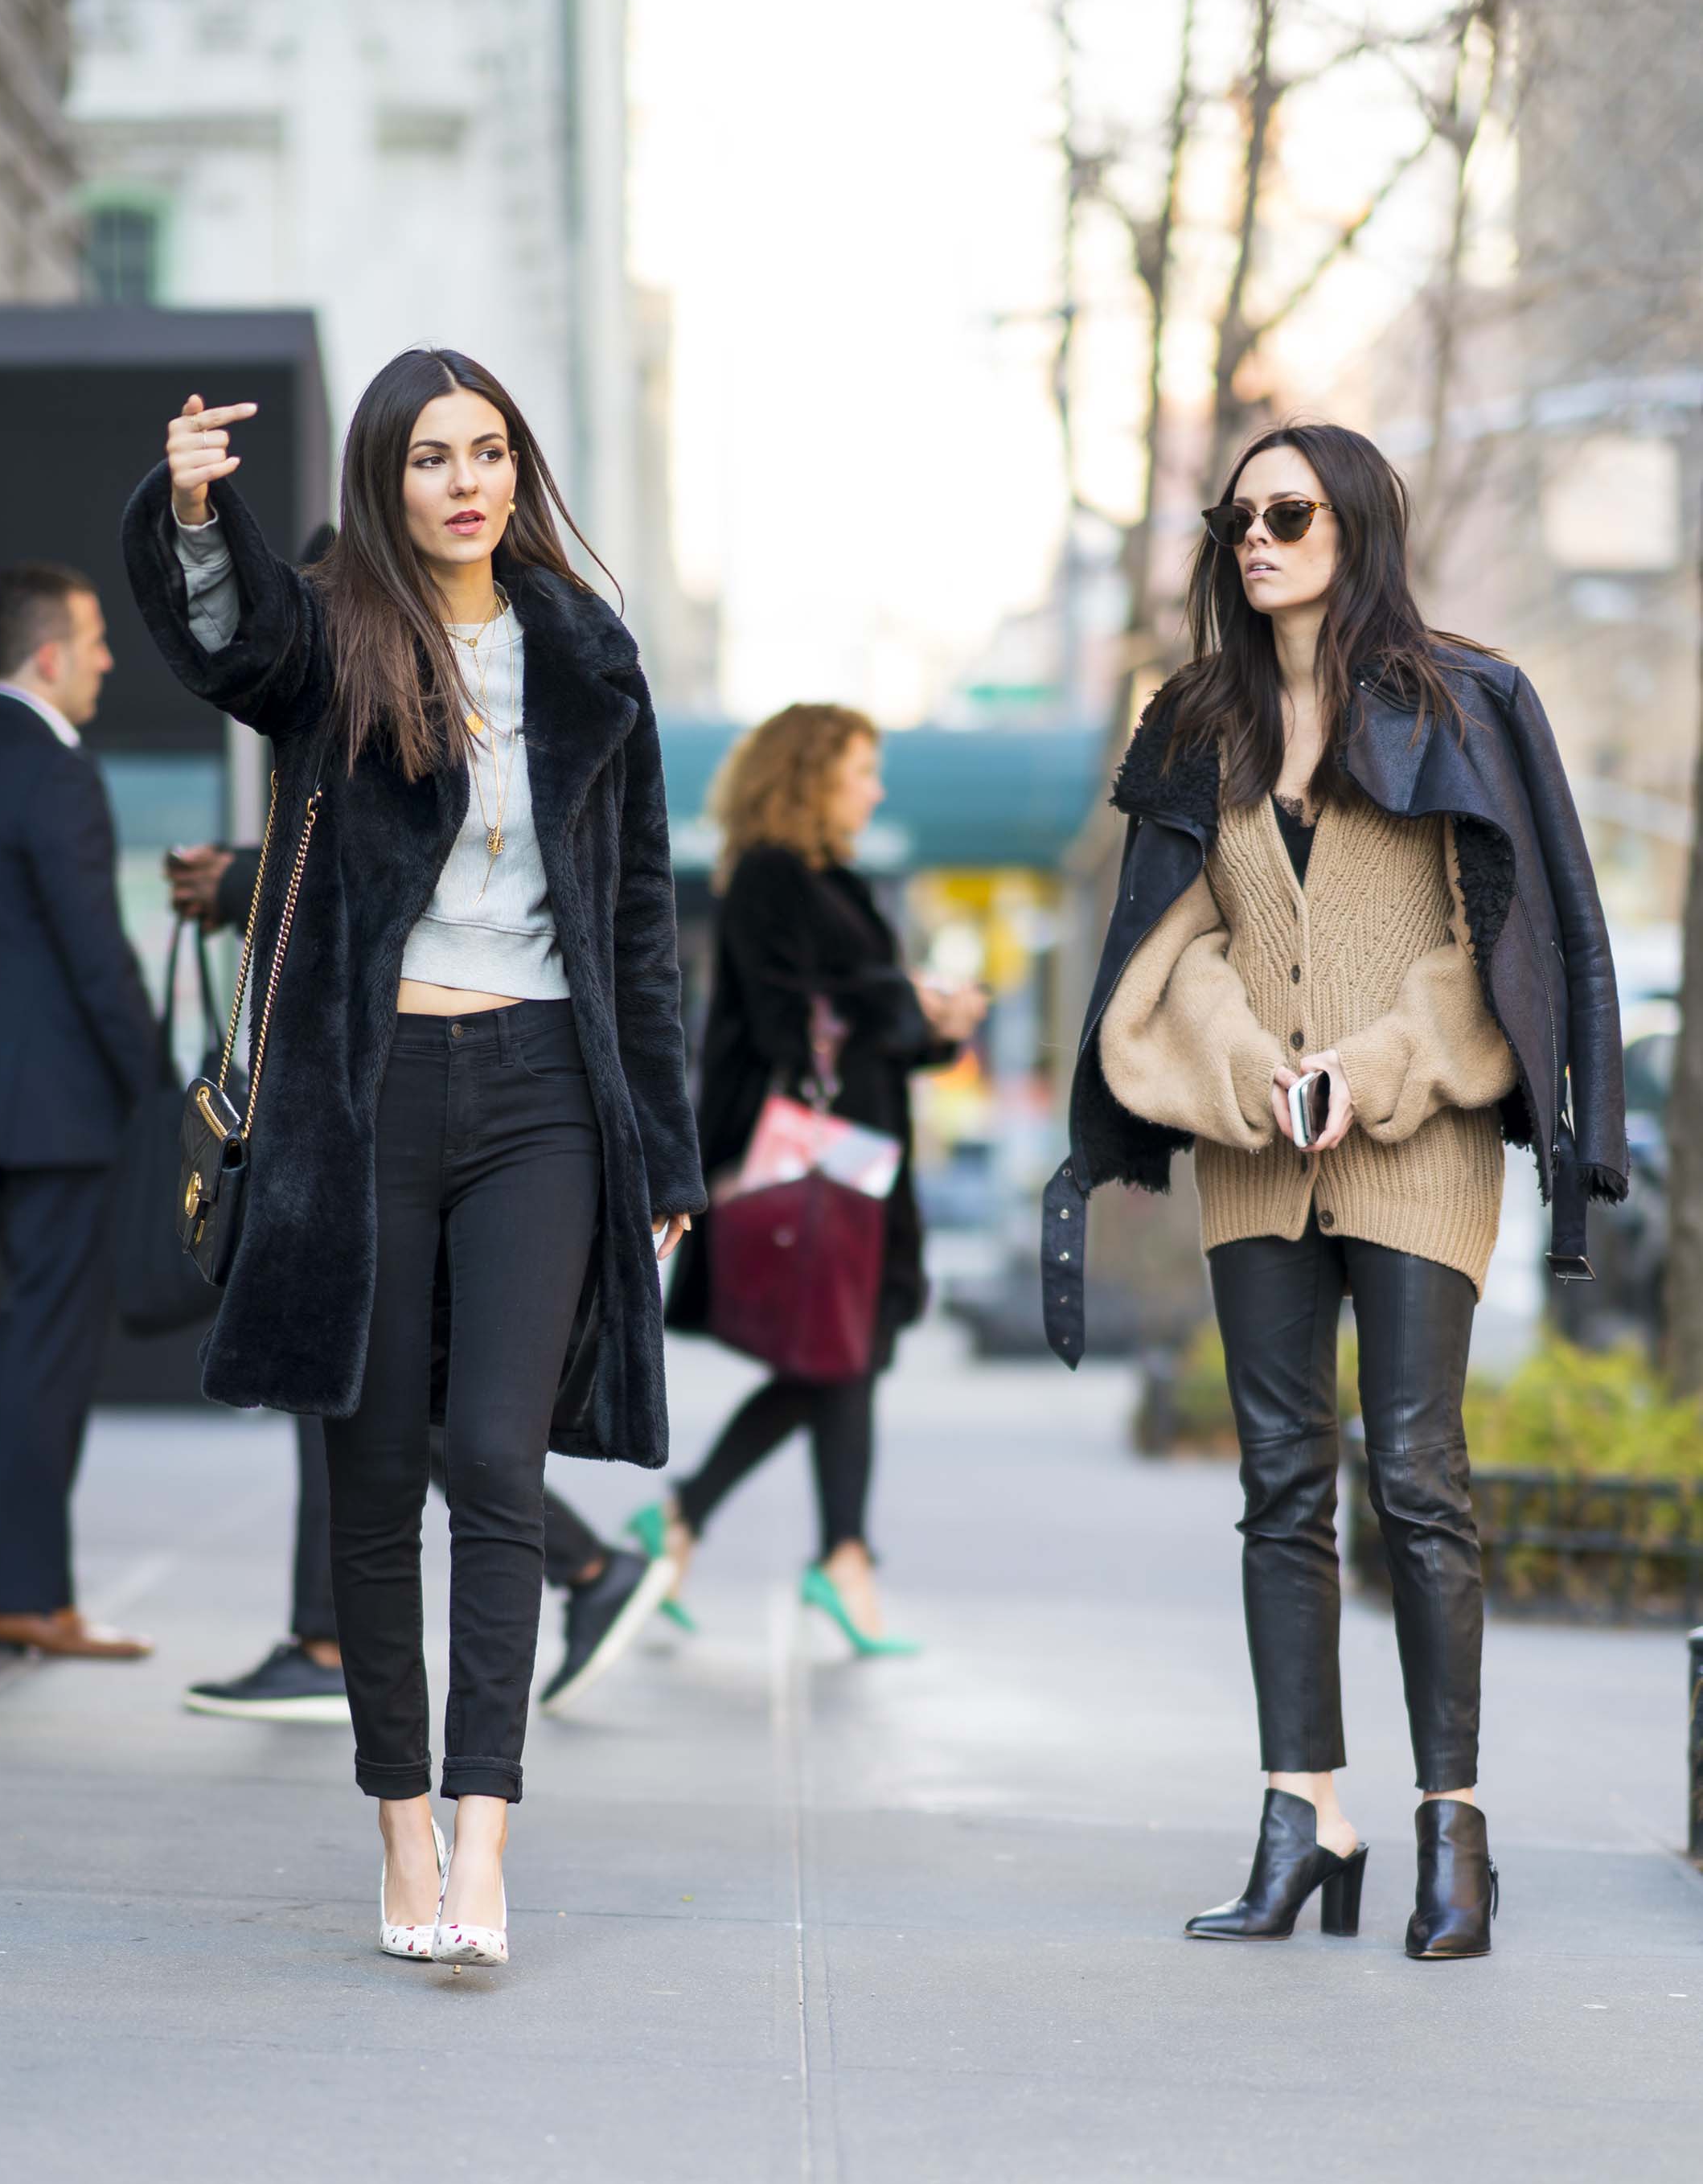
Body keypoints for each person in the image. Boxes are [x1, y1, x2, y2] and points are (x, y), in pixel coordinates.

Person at [122, 347, 704, 1968]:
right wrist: (192, 512)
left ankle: (483, 1838)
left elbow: (637, 917)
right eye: (433, 457)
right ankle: (398, 1823)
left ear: (519, 471)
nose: (466, 481)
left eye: (489, 450)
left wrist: (663, 1152)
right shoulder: (338, 637)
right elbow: (226, 642)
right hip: (365, 1094)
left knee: (497, 1466)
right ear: (387, 481)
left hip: (543, 1093)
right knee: (377, 1476)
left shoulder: (586, 651)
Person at [1044, 421, 1626, 1961]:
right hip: (1255, 1150)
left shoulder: (1459, 702)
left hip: (1414, 1139)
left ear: (1354, 525)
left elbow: (1486, 936)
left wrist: (1364, 1071)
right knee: (1278, 1487)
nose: (1255, 537)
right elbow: (1178, 945)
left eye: (1287, 513)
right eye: (1236, 518)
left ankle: (1453, 1829)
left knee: (1417, 1476)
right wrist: (1251, 1066)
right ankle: (1301, 1817)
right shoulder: (1199, 721)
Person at [164, 843, 675, 1725]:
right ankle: (564, 1576)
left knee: (427, 1400)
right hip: (381, 1076)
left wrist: (242, 877)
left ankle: (349, 1638)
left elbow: (427, 861)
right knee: (370, 1388)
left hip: (499, 1077)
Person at [659, 704, 984, 1651]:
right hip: (819, 1165)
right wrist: (908, 1002)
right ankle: (820, 1552)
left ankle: (754, 1533)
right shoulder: (770, 875)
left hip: (860, 1161)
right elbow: (787, 1017)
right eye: (860, 771)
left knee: (843, 1356)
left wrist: (932, 1026)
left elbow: (864, 1030)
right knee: (839, 1356)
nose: (875, 791)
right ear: (809, 776)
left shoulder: (837, 881)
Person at [0, 563, 158, 1660]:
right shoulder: (54, 769)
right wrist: (158, 1084)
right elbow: (97, 951)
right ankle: (24, 1594)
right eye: (94, 641)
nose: (105, 660)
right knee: (46, 1346)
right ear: (48, 657)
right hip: (51, 1115)